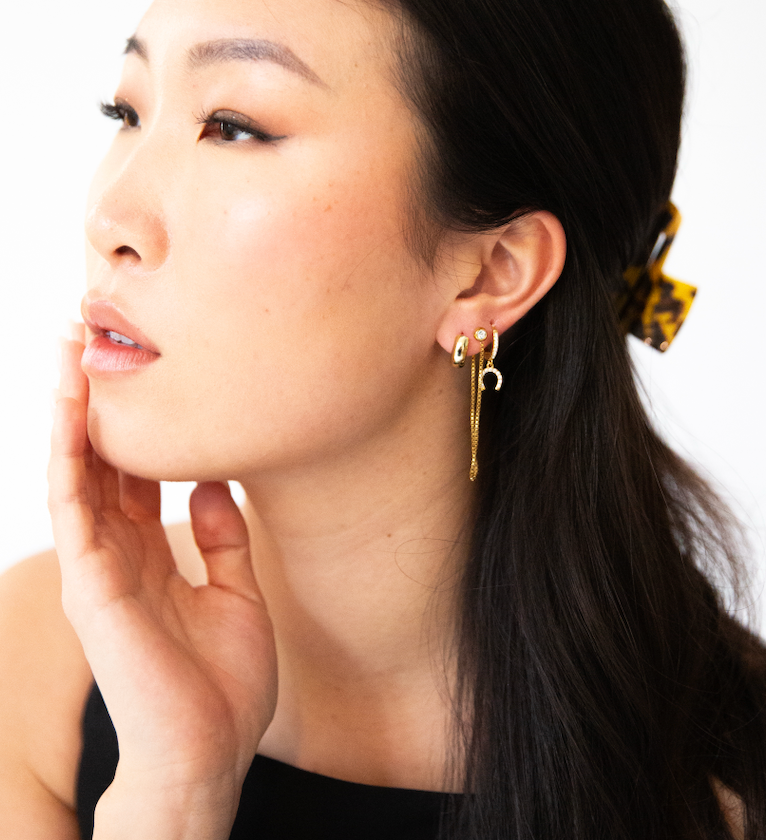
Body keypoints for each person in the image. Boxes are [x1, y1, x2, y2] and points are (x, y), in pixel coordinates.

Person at [0, 0, 764, 837]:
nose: (109, 219)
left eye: (233, 127)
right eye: (127, 111)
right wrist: (173, 795)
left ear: (492, 273)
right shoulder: (40, 659)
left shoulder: (733, 791)